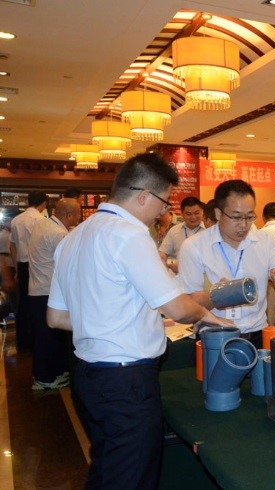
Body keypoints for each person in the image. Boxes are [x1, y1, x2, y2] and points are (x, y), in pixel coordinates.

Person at [46, 153, 232, 489]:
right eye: (164, 202)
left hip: (87, 376)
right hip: (125, 383)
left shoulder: (73, 237)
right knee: (131, 477)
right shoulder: (129, 234)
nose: (163, 212)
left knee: (107, 470)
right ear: (144, 195)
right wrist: (207, 315)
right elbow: (177, 308)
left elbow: (57, 317)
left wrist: (109, 324)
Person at [178, 180, 275, 348]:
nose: (244, 225)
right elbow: (188, 302)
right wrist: (220, 295)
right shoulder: (194, 246)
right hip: (215, 336)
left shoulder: (266, 241)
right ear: (218, 213)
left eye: (250, 216)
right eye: (236, 217)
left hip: (257, 334)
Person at [28, 198, 81, 390]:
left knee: (44, 336)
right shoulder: (59, 234)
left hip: (36, 289)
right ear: (69, 215)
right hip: (47, 291)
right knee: (48, 338)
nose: (79, 217)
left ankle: (49, 374)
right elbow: (69, 266)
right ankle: (46, 379)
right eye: (78, 213)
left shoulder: (42, 224)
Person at [10, 190, 48, 352]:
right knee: (37, 301)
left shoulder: (16, 220)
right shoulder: (41, 221)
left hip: (22, 265)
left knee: (23, 302)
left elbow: (12, 246)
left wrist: (16, 269)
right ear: (44, 204)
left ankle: (22, 340)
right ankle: (35, 340)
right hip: (37, 265)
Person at [158, 196, 206, 274]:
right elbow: (163, 253)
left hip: (203, 276)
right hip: (178, 275)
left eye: (197, 213)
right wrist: (168, 263)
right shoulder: (174, 230)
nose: (193, 217)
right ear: (182, 214)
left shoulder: (208, 231)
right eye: (189, 214)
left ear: (202, 212)